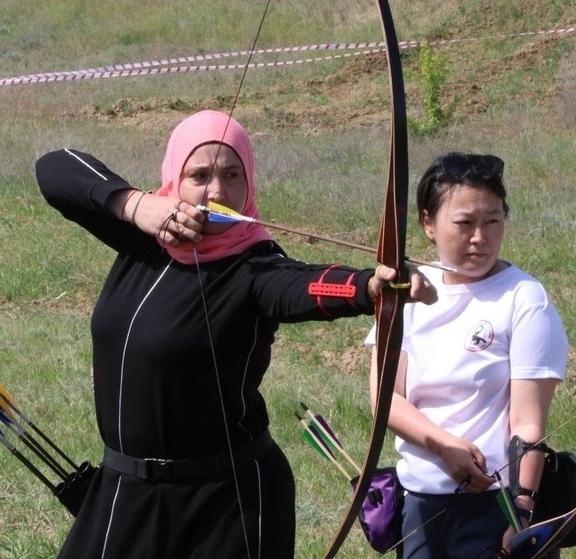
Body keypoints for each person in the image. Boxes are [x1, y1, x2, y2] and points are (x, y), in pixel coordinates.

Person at [35, 109, 436, 559]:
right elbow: (54, 167)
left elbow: (302, 285)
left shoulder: (254, 266)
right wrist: (137, 205)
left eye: (232, 174)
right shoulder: (143, 236)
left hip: (225, 501)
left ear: (250, 184)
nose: (218, 191)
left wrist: (368, 286)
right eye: (199, 174)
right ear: (174, 178)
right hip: (125, 489)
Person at [366, 152, 569, 559]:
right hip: (419, 500)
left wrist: (522, 512)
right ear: (428, 223)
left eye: (493, 221)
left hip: (493, 506)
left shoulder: (525, 298)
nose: (481, 237)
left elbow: (528, 421)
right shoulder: (409, 290)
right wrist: (444, 447)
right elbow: (384, 399)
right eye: (465, 223)